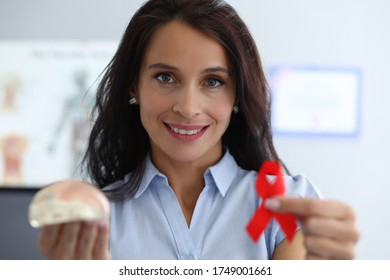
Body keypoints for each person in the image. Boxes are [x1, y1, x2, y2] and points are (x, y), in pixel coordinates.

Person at [38, 0, 360, 260]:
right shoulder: (93, 224)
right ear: (133, 86)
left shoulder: (286, 205)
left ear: (237, 95)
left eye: (213, 82)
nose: (188, 107)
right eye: (165, 77)